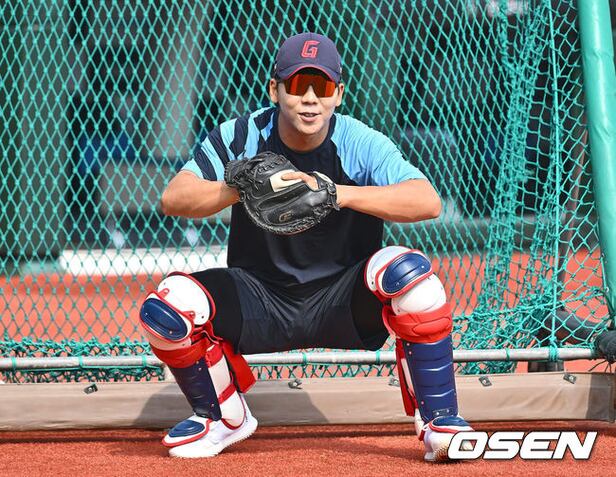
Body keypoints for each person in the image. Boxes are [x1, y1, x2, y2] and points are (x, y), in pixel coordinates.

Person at [139, 32, 472, 462]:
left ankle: (440, 423)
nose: (311, 99)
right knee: (166, 309)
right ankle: (222, 418)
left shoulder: (358, 140)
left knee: (414, 278)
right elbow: (174, 198)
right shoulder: (243, 136)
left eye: (323, 87)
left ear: (339, 94)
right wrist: (242, 186)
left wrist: (336, 193)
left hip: (342, 299)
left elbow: (427, 201)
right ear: (275, 90)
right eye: (298, 86)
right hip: (262, 298)